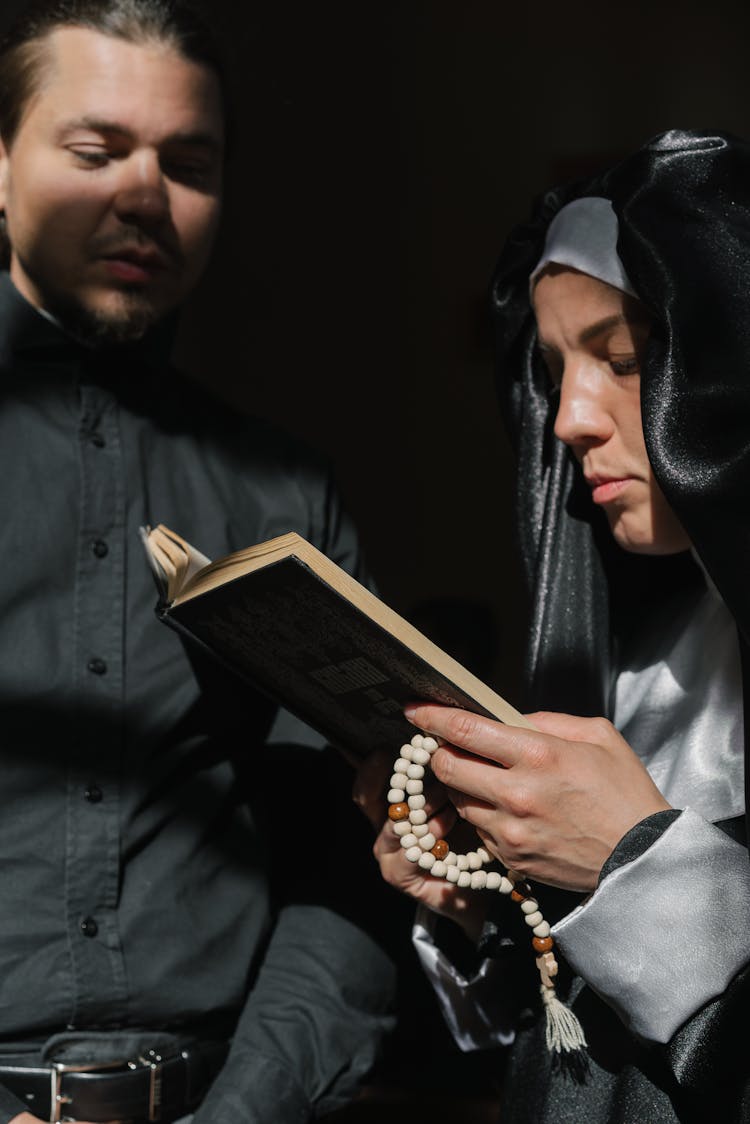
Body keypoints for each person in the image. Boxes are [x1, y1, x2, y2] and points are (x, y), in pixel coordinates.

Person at [0, 2, 395, 1122]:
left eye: (190, 161)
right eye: (96, 149)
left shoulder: (287, 497)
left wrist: (242, 1112)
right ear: (0, 165)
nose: (143, 194)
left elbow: (345, 859)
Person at [357, 129, 750, 1123]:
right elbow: (569, 1044)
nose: (570, 415)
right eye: (552, 366)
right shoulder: (647, 645)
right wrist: (483, 896)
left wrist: (635, 856)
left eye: (620, 357)